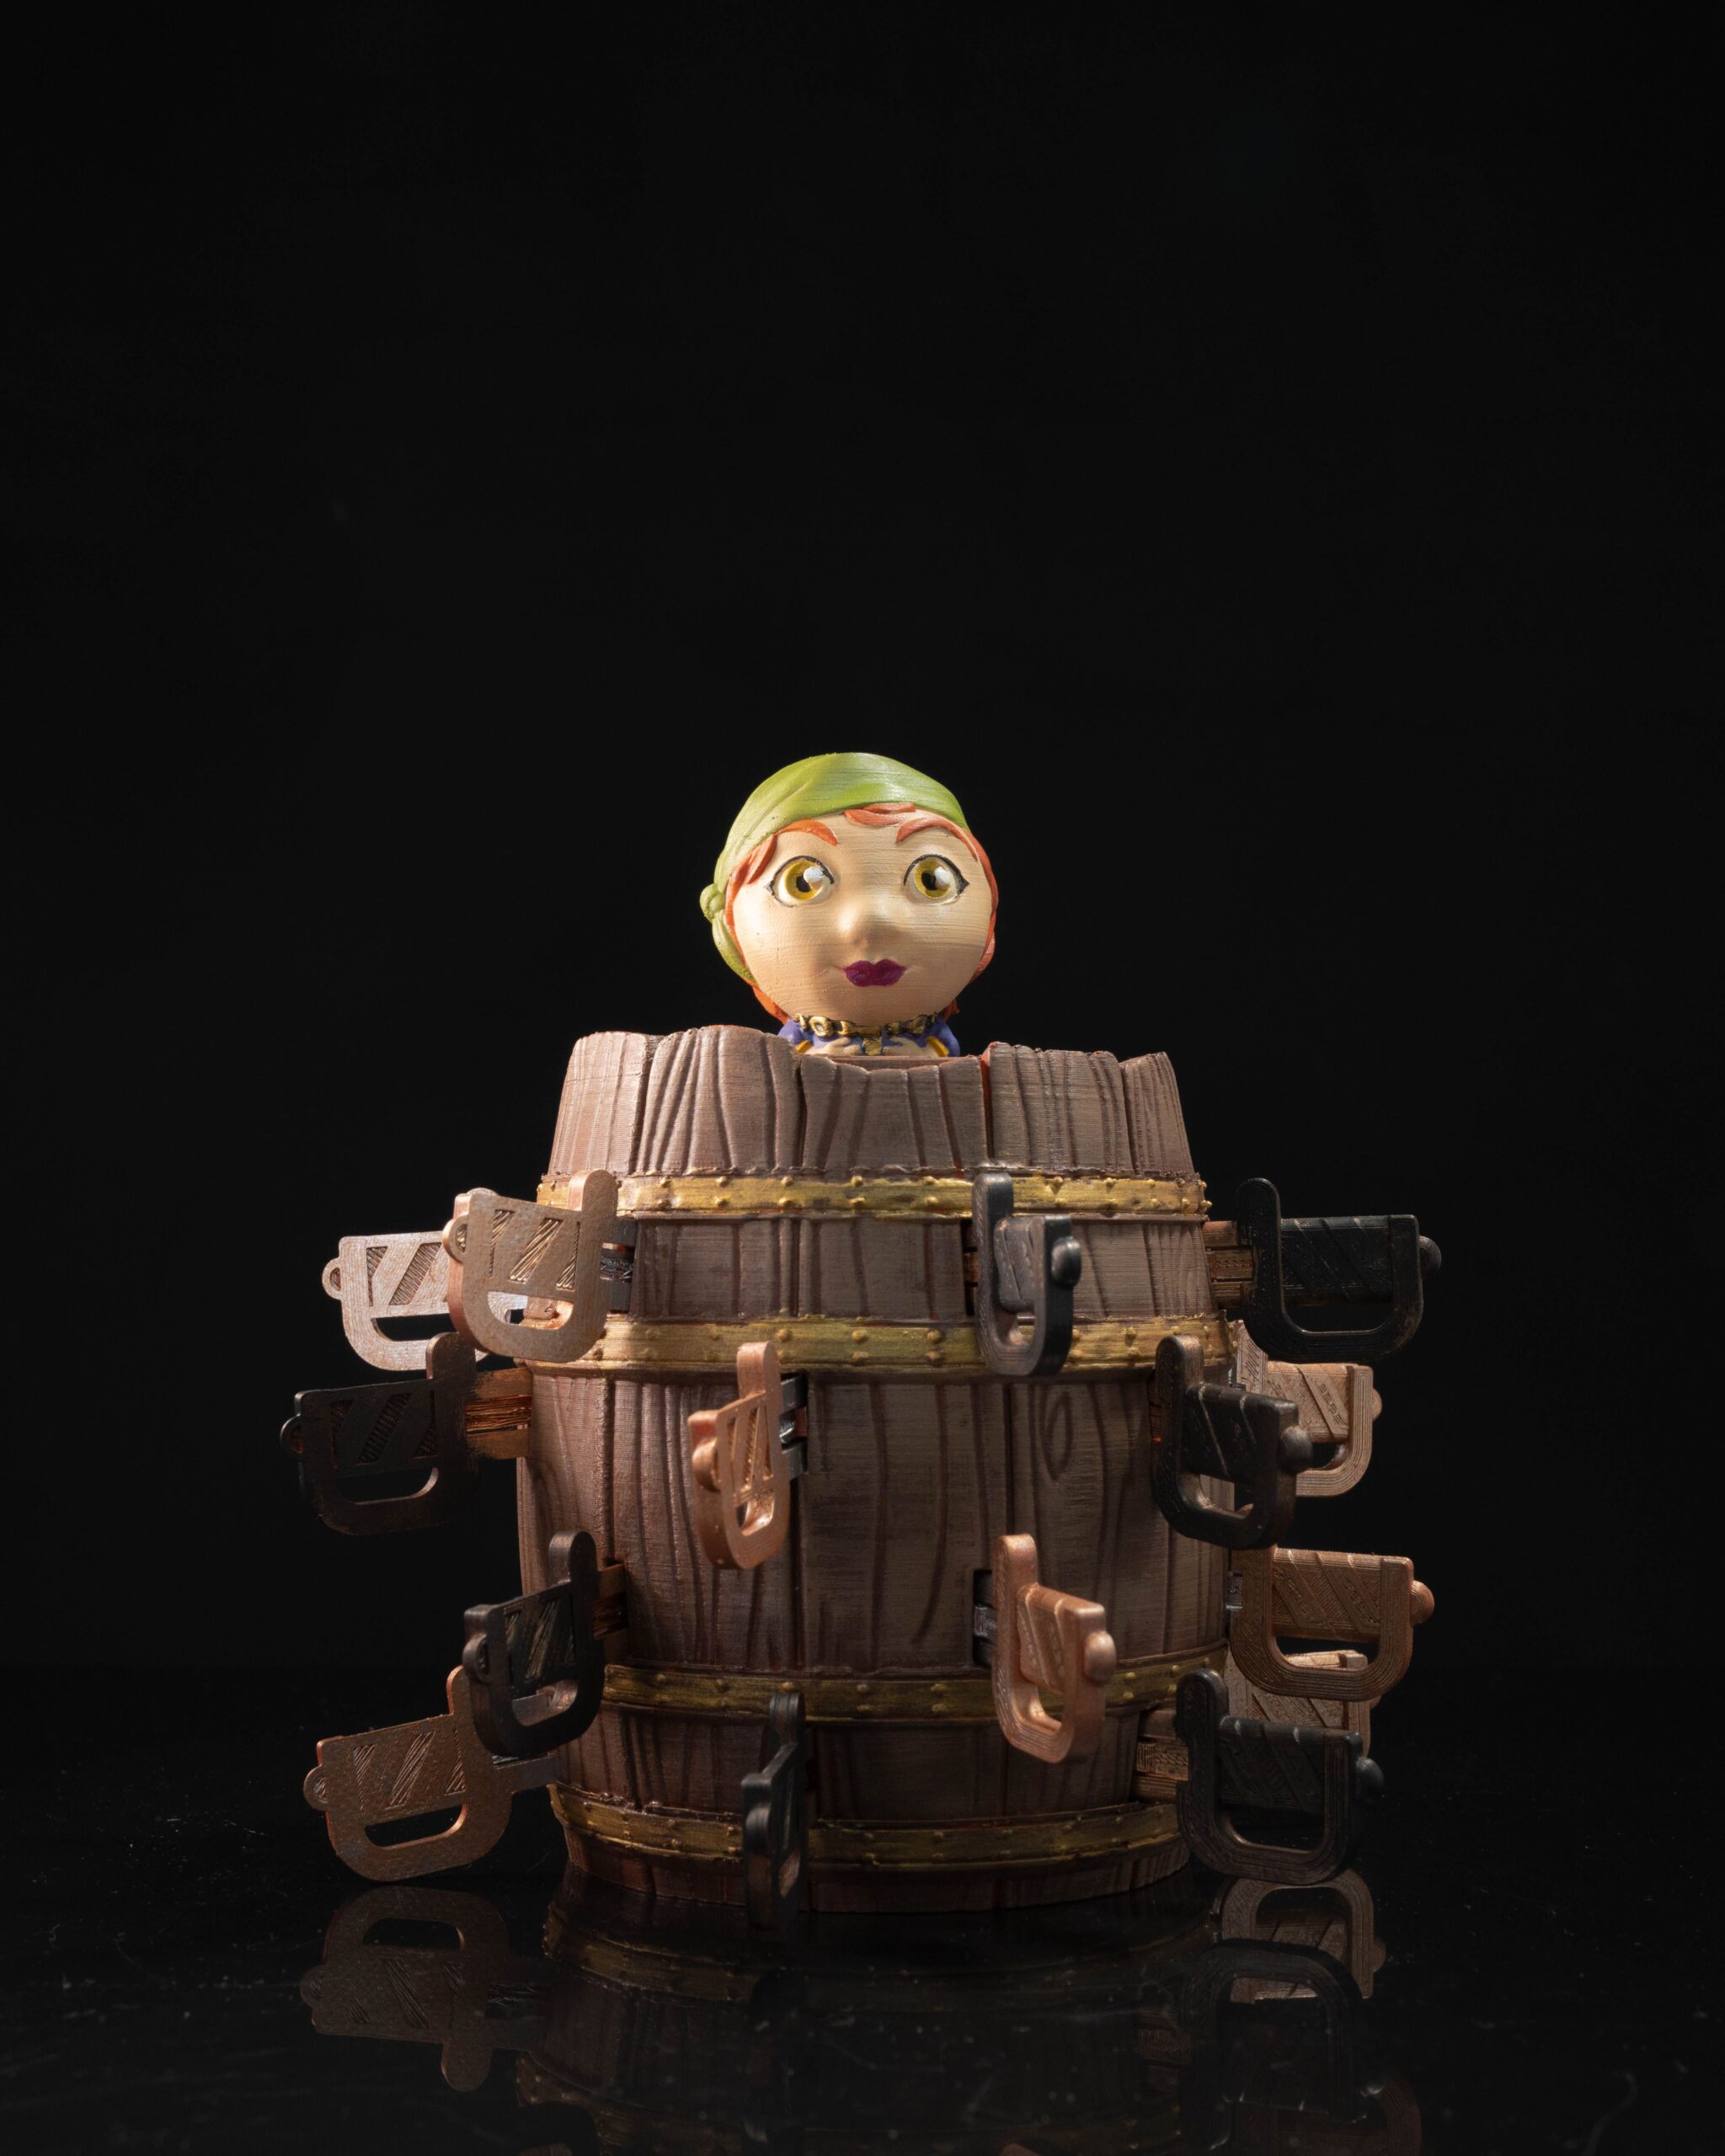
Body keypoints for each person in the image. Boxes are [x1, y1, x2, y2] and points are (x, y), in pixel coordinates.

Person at [701, 751, 997, 1059]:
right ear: (730, 919)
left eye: (931, 881)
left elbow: (945, 1050)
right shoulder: (799, 1038)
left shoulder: (927, 1032)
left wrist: (928, 1053)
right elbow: (787, 1056)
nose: (872, 922)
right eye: (803, 883)